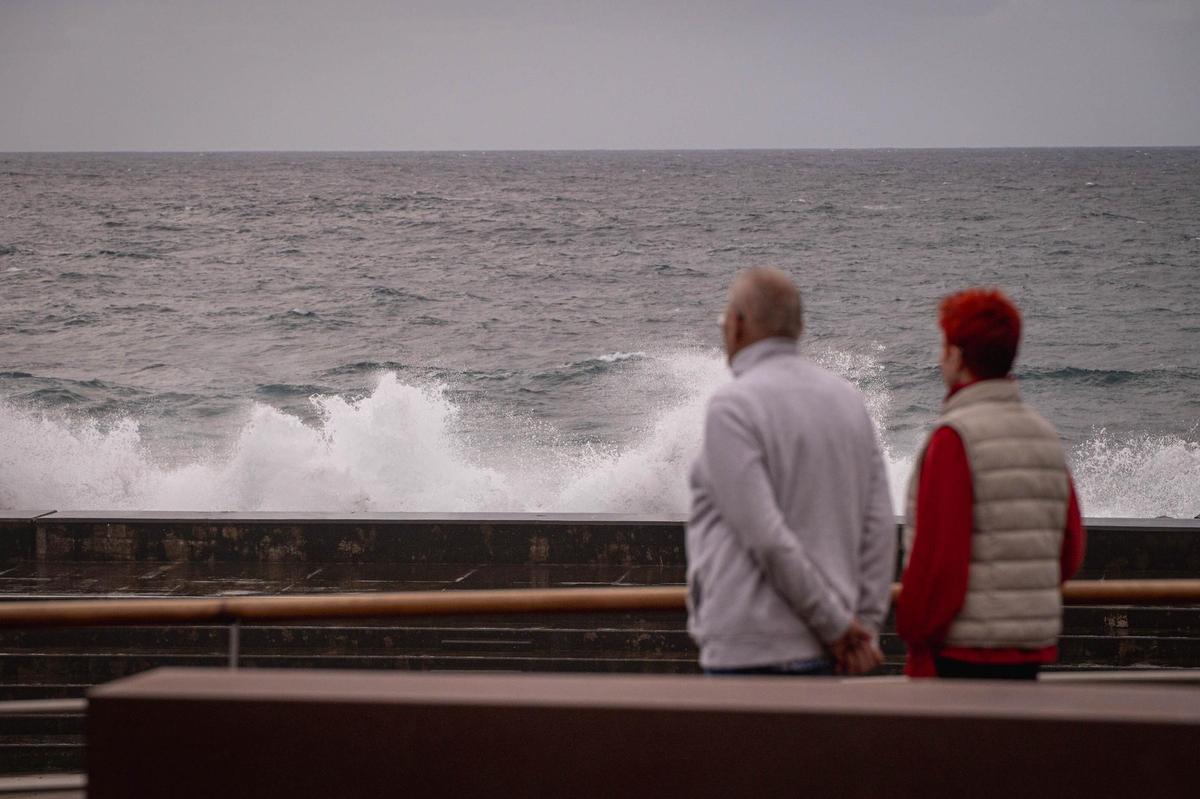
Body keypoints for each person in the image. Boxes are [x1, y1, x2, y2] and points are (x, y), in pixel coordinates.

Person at [686, 267, 896, 676]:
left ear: (738, 324)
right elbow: (880, 528)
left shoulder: (732, 407)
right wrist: (863, 629)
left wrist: (839, 629)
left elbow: (766, 537)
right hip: (831, 650)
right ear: (796, 328)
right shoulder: (848, 400)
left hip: (751, 650)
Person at [897, 288, 1086, 680]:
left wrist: (914, 632)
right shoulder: (1044, 434)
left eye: (944, 347)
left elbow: (940, 562)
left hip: (962, 653)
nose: (940, 358)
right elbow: (1070, 549)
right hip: (1030, 649)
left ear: (957, 356)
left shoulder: (954, 439)